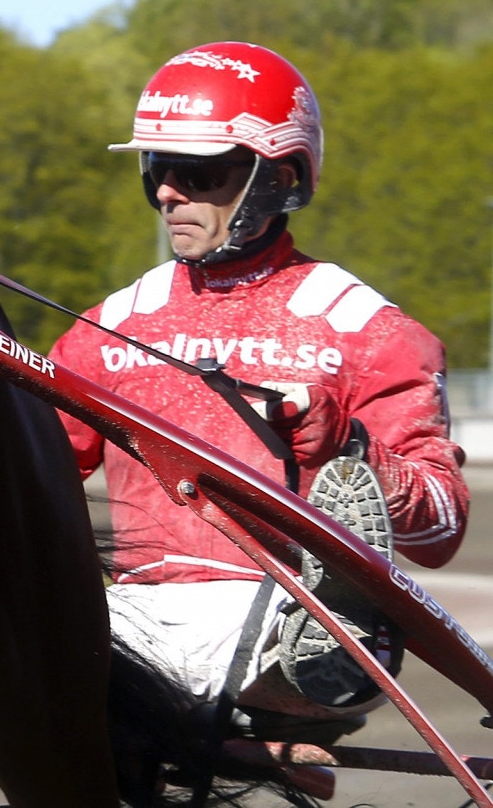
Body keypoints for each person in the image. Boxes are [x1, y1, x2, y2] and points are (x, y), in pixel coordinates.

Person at [50, 41, 466, 733]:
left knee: (324, 638)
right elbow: (29, 469)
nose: (167, 192)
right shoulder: (109, 325)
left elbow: (440, 530)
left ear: (278, 177)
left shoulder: (367, 329)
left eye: (198, 172)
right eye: (156, 168)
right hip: (132, 620)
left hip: (282, 614)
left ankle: (332, 634)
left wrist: (349, 446)